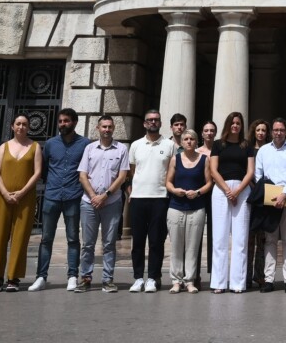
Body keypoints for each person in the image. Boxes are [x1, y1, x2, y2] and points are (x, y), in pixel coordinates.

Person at [29, 108, 90, 292]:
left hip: (73, 195)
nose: (63, 124)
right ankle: (41, 276)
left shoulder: (85, 144)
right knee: (46, 238)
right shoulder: (50, 144)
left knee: (73, 238)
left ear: (75, 122)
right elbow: (45, 168)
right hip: (52, 195)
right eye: (61, 121)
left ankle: (72, 275)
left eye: (66, 121)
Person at [0, 114, 43, 292]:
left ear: (29, 127)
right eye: (18, 124)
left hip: (25, 198)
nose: (21, 127)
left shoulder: (35, 147)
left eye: (24, 124)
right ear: (12, 127)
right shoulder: (4, 147)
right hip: (1, 196)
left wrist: (22, 192)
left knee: (20, 237)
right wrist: (5, 193)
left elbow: (37, 173)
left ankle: (13, 278)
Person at [76, 115, 130, 293]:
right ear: (97, 128)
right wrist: (93, 196)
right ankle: (85, 278)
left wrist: (105, 196)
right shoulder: (90, 148)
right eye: (104, 126)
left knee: (109, 243)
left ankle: (107, 279)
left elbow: (122, 177)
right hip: (89, 202)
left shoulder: (121, 149)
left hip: (112, 202)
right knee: (88, 244)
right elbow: (82, 175)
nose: (107, 129)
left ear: (113, 128)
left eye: (110, 127)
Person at [127, 108, 176, 293]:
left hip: (160, 198)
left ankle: (153, 278)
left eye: (156, 120)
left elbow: (172, 171)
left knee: (156, 241)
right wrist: (133, 190)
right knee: (138, 241)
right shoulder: (136, 145)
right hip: (139, 198)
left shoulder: (169, 145)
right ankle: (138, 277)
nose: (153, 122)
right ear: (144, 123)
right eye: (149, 120)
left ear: (161, 123)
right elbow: (133, 171)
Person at [209, 111, 255, 293]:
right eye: (232, 122)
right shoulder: (218, 145)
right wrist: (228, 191)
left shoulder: (247, 145)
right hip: (221, 190)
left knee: (240, 239)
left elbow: (250, 171)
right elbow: (213, 170)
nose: (235, 125)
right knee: (219, 238)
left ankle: (238, 283)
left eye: (238, 123)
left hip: (242, 190)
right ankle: (219, 283)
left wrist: (237, 190)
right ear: (228, 124)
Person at [253, 117, 286, 293]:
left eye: (281, 130)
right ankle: (269, 279)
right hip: (269, 200)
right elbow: (258, 175)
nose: (278, 133)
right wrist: (269, 193)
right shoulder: (263, 150)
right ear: (271, 131)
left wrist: (283, 194)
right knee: (270, 241)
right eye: (275, 130)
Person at [165, 129, 210, 293]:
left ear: (196, 141)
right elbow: (168, 182)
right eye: (186, 139)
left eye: (192, 139)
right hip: (176, 207)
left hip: (197, 208)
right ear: (182, 142)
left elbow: (209, 183)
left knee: (192, 247)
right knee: (176, 245)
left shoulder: (204, 160)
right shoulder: (175, 159)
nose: (189, 141)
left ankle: (190, 280)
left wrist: (198, 192)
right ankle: (176, 281)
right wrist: (175, 190)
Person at [246, 118, 270, 290]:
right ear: (253, 132)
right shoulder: (246, 149)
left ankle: (259, 275)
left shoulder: (270, 150)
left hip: (264, 197)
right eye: (258, 130)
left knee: (262, 239)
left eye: (263, 130)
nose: (261, 133)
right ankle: (245, 276)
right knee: (248, 240)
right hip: (249, 196)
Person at [194, 120, 217, 288]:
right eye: (206, 130)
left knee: (215, 236)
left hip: (217, 195)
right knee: (196, 236)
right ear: (202, 134)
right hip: (200, 195)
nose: (209, 133)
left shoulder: (220, 151)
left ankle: (215, 274)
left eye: (212, 130)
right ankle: (195, 274)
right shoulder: (196, 152)